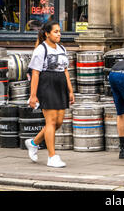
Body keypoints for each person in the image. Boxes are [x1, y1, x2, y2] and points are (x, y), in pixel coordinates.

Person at [25, 20, 75, 168]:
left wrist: (70, 90)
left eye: (59, 31)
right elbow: (35, 73)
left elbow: (65, 71)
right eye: (55, 32)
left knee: (58, 122)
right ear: (47, 34)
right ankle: (52, 156)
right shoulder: (41, 50)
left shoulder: (62, 48)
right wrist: (33, 95)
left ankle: (33, 143)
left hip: (60, 85)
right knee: (51, 122)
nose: (59, 34)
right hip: (47, 84)